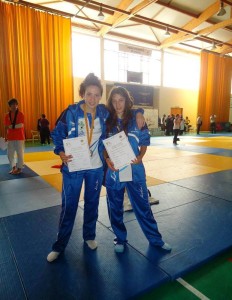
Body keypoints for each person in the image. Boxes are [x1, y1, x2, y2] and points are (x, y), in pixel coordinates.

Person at [47, 73, 145, 263]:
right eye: (89, 94)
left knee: (92, 204)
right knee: (69, 207)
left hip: (96, 168)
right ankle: (59, 246)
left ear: (101, 96)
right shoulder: (71, 112)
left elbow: (125, 110)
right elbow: (57, 133)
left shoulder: (103, 112)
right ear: (83, 93)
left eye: (96, 95)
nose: (92, 99)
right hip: (74, 167)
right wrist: (60, 152)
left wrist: (140, 111)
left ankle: (89, 236)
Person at [104, 86, 171, 253]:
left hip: (135, 169)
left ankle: (155, 239)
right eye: (114, 101)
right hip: (115, 171)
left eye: (121, 100)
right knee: (115, 207)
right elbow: (104, 146)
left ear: (127, 101)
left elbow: (144, 143)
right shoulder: (108, 121)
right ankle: (120, 238)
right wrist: (106, 158)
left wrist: (140, 157)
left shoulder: (137, 118)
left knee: (143, 206)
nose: (118, 104)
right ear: (111, 103)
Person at [4, 98, 25, 175]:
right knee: (9, 154)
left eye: (15, 104)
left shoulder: (20, 114)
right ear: (10, 106)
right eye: (12, 104)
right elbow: (6, 126)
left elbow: (21, 125)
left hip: (19, 137)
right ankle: (13, 167)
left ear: (17, 105)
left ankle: (19, 168)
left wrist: (11, 127)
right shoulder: (7, 115)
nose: (14, 106)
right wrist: (5, 136)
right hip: (10, 137)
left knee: (20, 153)